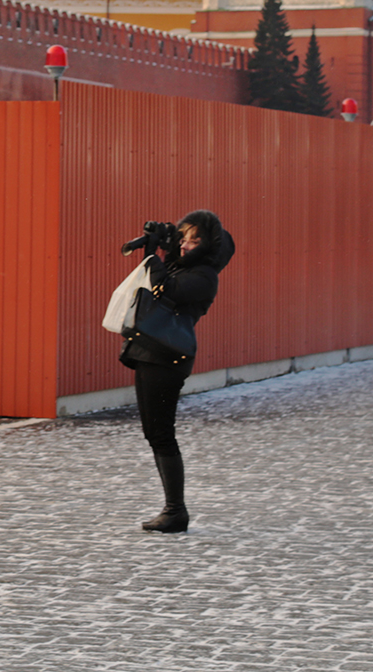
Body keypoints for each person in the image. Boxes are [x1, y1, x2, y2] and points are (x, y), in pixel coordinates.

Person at [120, 209, 234, 534]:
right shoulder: (183, 266)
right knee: (155, 434)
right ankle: (173, 510)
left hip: (168, 359)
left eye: (194, 240)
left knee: (162, 434)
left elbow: (166, 290)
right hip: (154, 354)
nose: (185, 245)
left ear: (208, 246)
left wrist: (153, 256)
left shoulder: (204, 276)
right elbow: (166, 277)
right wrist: (163, 244)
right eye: (184, 239)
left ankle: (175, 511)